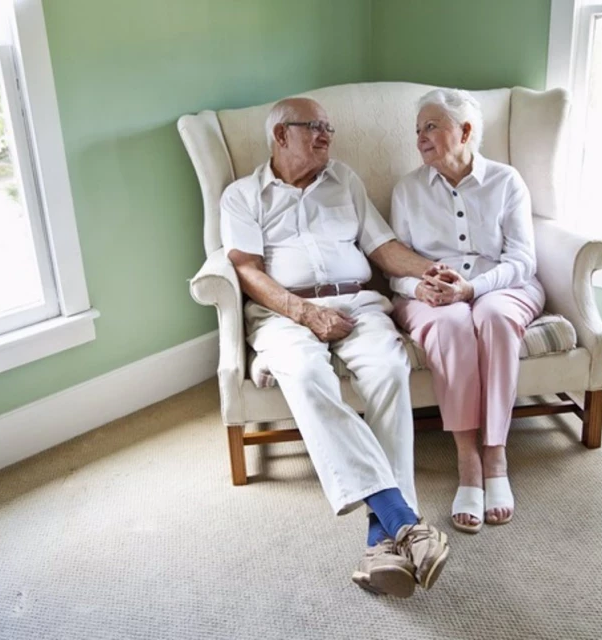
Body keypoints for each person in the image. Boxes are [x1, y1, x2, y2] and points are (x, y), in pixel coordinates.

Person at [220, 96, 449, 597]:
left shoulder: (345, 180)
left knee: (389, 370)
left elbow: (381, 247)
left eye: (329, 128)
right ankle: (404, 522)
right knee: (304, 374)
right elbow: (246, 270)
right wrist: (304, 313)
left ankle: (382, 541)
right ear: (280, 136)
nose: (326, 136)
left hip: (359, 303)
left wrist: (430, 272)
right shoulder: (242, 195)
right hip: (285, 313)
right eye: (314, 127)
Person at [389, 88, 545, 534]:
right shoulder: (407, 189)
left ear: (467, 131)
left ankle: (496, 452)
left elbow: (522, 261)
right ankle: (467, 458)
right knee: (454, 326)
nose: (420, 137)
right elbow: (394, 264)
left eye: (432, 126)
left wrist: (473, 288)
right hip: (432, 298)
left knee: (492, 317)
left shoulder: (506, 181)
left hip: (503, 285)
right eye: (418, 129)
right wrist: (419, 287)